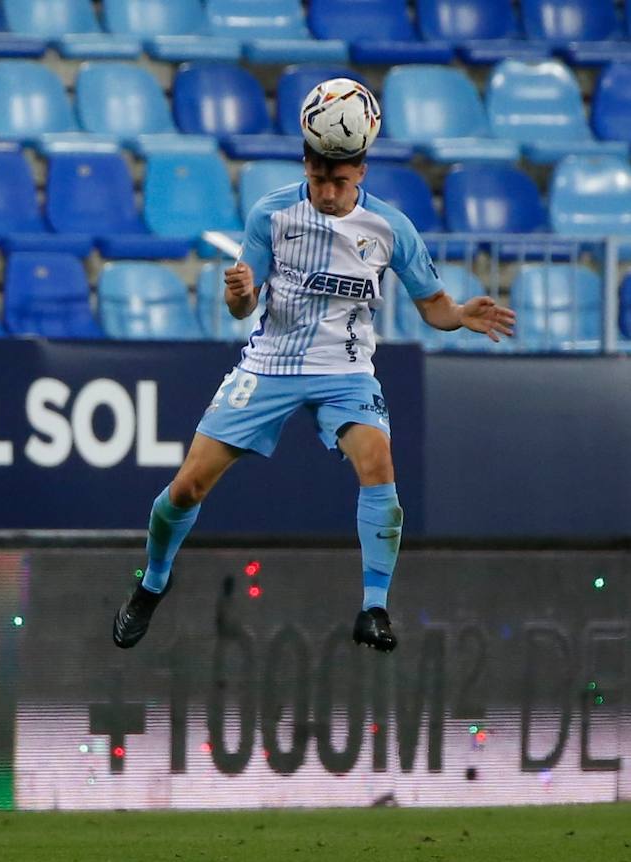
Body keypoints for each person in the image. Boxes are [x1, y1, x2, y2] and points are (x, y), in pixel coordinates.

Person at [113, 118, 515, 654]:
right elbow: (242, 307)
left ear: (361, 173)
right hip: (269, 366)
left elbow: (433, 307)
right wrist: (238, 292)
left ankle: (374, 607)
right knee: (187, 487)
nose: (328, 192)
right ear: (306, 164)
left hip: (345, 371)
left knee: (379, 468)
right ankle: (152, 584)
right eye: (320, 178)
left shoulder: (390, 228)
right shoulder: (272, 215)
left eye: (340, 181)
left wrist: (462, 313)